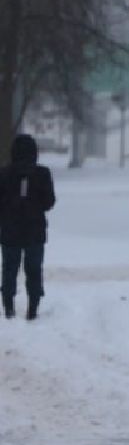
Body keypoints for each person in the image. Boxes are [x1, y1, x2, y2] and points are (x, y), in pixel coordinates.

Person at [0, 133, 56, 321]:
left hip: (10, 231)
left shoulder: (4, 174)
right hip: (35, 231)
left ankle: (8, 307)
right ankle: (33, 308)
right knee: (34, 270)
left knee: (9, 269)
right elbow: (49, 202)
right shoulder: (43, 174)